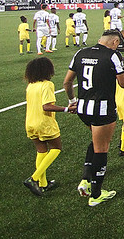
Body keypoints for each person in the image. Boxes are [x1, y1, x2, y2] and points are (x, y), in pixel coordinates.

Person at [63, 29, 124, 206]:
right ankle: (96, 194)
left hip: (83, 109)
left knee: (95, 141)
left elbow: (67, 82)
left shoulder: (80, 53)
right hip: (102, 109)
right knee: (102, 148)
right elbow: (123, 83)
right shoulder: (113, 55)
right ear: (115, 42)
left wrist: (72, 100)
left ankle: (85, 180)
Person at [23, 56, 75, 196]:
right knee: (56, 148)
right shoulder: (47, 85)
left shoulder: (30, 86)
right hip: (44, 123)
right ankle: (33, 178)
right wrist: (66, 109)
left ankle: (43, 184)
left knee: (41, 151)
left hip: (30, 123)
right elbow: (47, 106)